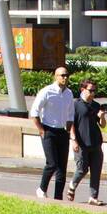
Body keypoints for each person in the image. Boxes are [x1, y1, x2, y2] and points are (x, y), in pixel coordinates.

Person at [31, 65, 75, 201]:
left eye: (67, 75)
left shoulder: (69, 93)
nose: (65, 78)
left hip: (62, 131)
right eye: (62, 75)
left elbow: (71, 113)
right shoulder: (47, 92)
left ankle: (58, 198)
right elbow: (34, 112)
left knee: (62, 167)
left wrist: (68, 129)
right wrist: (41, 130)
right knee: (52, 163)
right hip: (48, 130)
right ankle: (42, 188)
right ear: (56, 77)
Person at [68, 78, 107, 205]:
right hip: (81, 143)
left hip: (95, 143)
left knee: (96, 170)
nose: (93, 93)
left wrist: (101, 116)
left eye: (94, 91)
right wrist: (74, 140)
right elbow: (71, 124)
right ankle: (72, 185)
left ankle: (93, 197)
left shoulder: (96, 105)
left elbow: (102, 125)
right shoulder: (75, 105)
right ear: (82, 89)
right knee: (82, 169)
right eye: (90, 90)